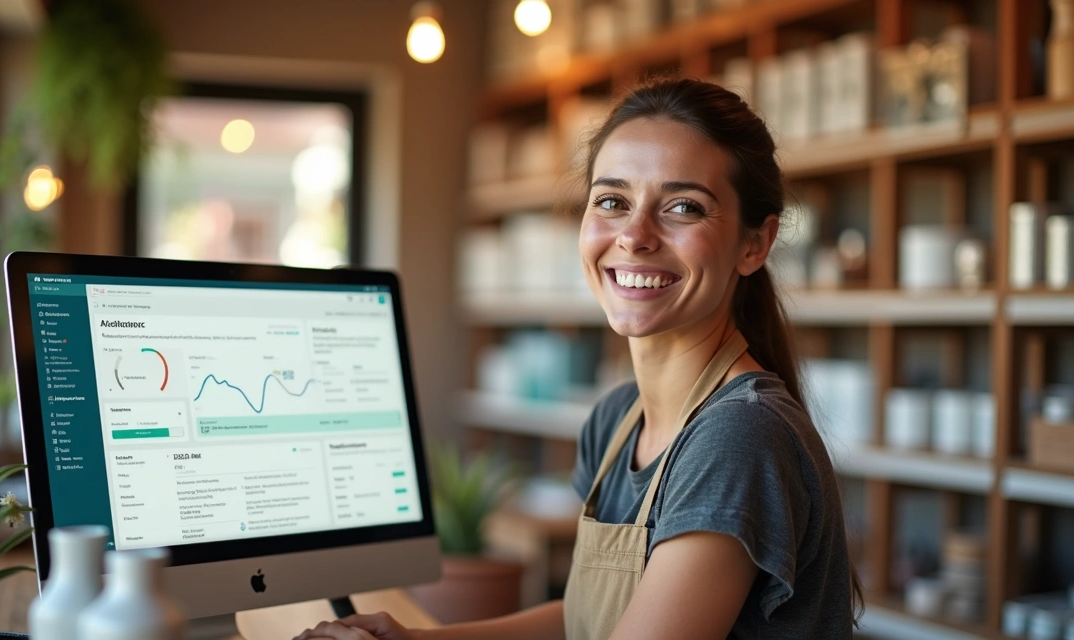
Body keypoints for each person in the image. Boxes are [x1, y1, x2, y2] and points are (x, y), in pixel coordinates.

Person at [295, 77, 862, 640]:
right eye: (612, 201)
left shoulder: (738, 437)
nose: (635, 235)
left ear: (753, 244)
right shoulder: (618, 420)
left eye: (684, 206)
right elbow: (580, 620)